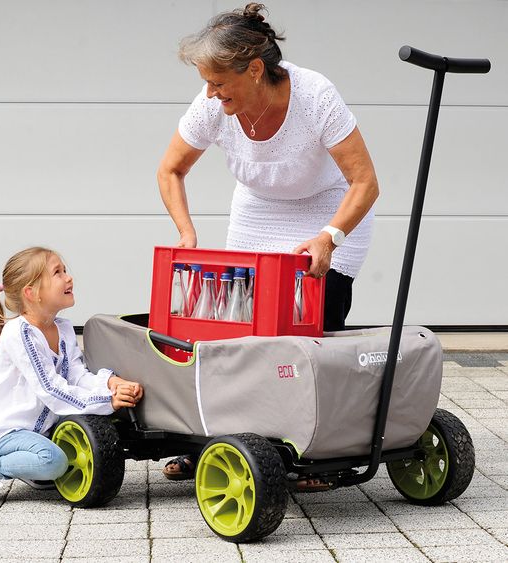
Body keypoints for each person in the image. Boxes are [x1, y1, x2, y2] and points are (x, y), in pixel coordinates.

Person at [157, 3, 379, 483]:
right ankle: (223, 443)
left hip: (332, 213)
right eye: (207, 84)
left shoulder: (316, 96)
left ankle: (320, 450)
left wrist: (329, 237)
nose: (211, 94)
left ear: (255, 69)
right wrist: (186, 233)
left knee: (308, 334)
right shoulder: (212, 107)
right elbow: (170, 169)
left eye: (219, 83)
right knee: (238, 338)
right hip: (259, 212)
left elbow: (365, 183)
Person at [0, 247, 143, 506]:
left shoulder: (62, 328)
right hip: (7, 432)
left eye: (65, 271)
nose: (69, 278)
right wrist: (107, 400)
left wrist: (110, 383)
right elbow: (51, 388)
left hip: (41, 431)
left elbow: (78, 375)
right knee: (54, 461)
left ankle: (31, 465)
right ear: (31, 293)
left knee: (53, 458)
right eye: (57, 273)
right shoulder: (21, 334)